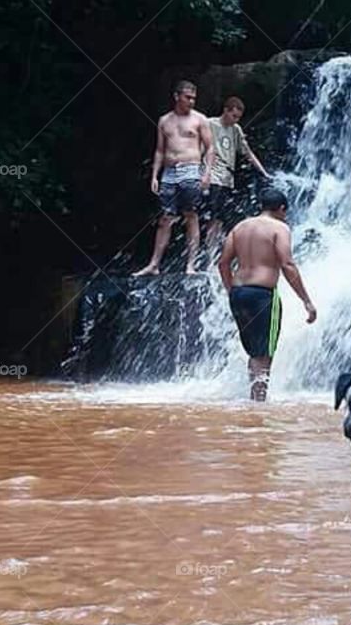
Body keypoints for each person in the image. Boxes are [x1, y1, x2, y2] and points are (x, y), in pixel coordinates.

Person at [219, 189, 317, 401]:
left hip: (239, 293)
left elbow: (223, 263)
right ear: (282, 209)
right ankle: (258, 405)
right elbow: (287, 264)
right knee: (265, 353)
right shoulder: (279, 228)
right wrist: (306, 301)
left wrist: (231, 290)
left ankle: (253, 398)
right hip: (263, 295)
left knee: (255, 351)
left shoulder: (240, 227)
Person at [133, 81, 215, 276]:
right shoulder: (164, 121)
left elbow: (210, 147)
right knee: (165, 218)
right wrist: (155, 175)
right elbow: (160, 150)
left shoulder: (199, 119)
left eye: (194, 98)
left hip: (191, 169)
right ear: (177, 96)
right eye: (188, 97)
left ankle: (191, 264)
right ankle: (154, 264)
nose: (192, 101)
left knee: (191, 214)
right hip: (169, 172)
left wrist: (207, 172)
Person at [205, 96, 271, 259]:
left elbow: (248, 152)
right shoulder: (209, 124)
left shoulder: (236, 129)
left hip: (227, 178)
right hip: (213, 176)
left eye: (238, 118)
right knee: (212, 217)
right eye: (233, 116)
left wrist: (264, 172)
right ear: (225, 110)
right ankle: (208, 254)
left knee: (220, 217)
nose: (235, 120)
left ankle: (214, 253)